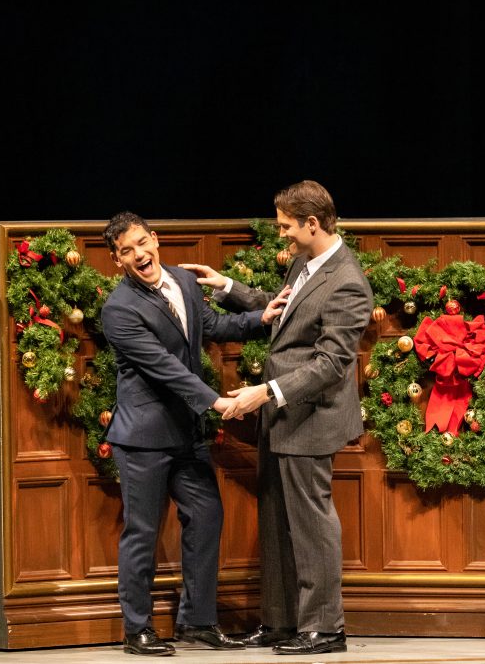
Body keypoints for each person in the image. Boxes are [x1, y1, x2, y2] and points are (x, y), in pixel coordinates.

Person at [180, 179, 372, 656]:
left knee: (310, 526)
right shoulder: (309, 263)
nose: (282, 234)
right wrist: (226, 286)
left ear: (312, 223)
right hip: (283, 417)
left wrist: (267, 392)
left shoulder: (348, 281)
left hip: (309, 418)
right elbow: (284, 308)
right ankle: (283, 622)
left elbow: (331, 365)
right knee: (277, 523)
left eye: (287, 226)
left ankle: (325, 628)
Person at [100, 212, 288, 656]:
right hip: (143, 436)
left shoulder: (183, 281)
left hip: (186, 434)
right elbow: (163, 369)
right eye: (127, 251)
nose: (140, 255)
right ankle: (137, 629)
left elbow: (216, 326)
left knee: (206, 518)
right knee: (142, 531)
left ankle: (197, 622)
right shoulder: (119, 308)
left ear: (156, 239)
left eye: (143, 243)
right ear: (117, 260)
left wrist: (263, 316)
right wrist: (216, 402)